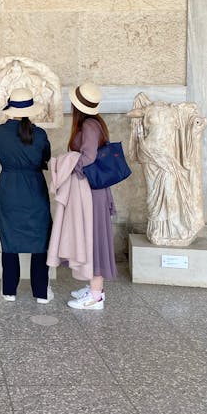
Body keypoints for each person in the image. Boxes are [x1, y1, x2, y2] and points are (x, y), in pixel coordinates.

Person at [0, 87, 53, 303]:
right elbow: (45, 156)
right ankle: (41, 292)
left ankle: (9, 290)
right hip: (34, 187)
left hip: (9, 187)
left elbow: (0, 153)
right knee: (40, 238)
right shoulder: (40, 134)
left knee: (9, 237)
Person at [66, 81, 117, 310]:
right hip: (95, 191)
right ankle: (95, 289)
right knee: (94, 238)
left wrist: (68, 167)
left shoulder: (88, 126)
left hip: (92, 194)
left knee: (94, 240)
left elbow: (87, 158)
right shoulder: (95, 124)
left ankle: (96, 296)